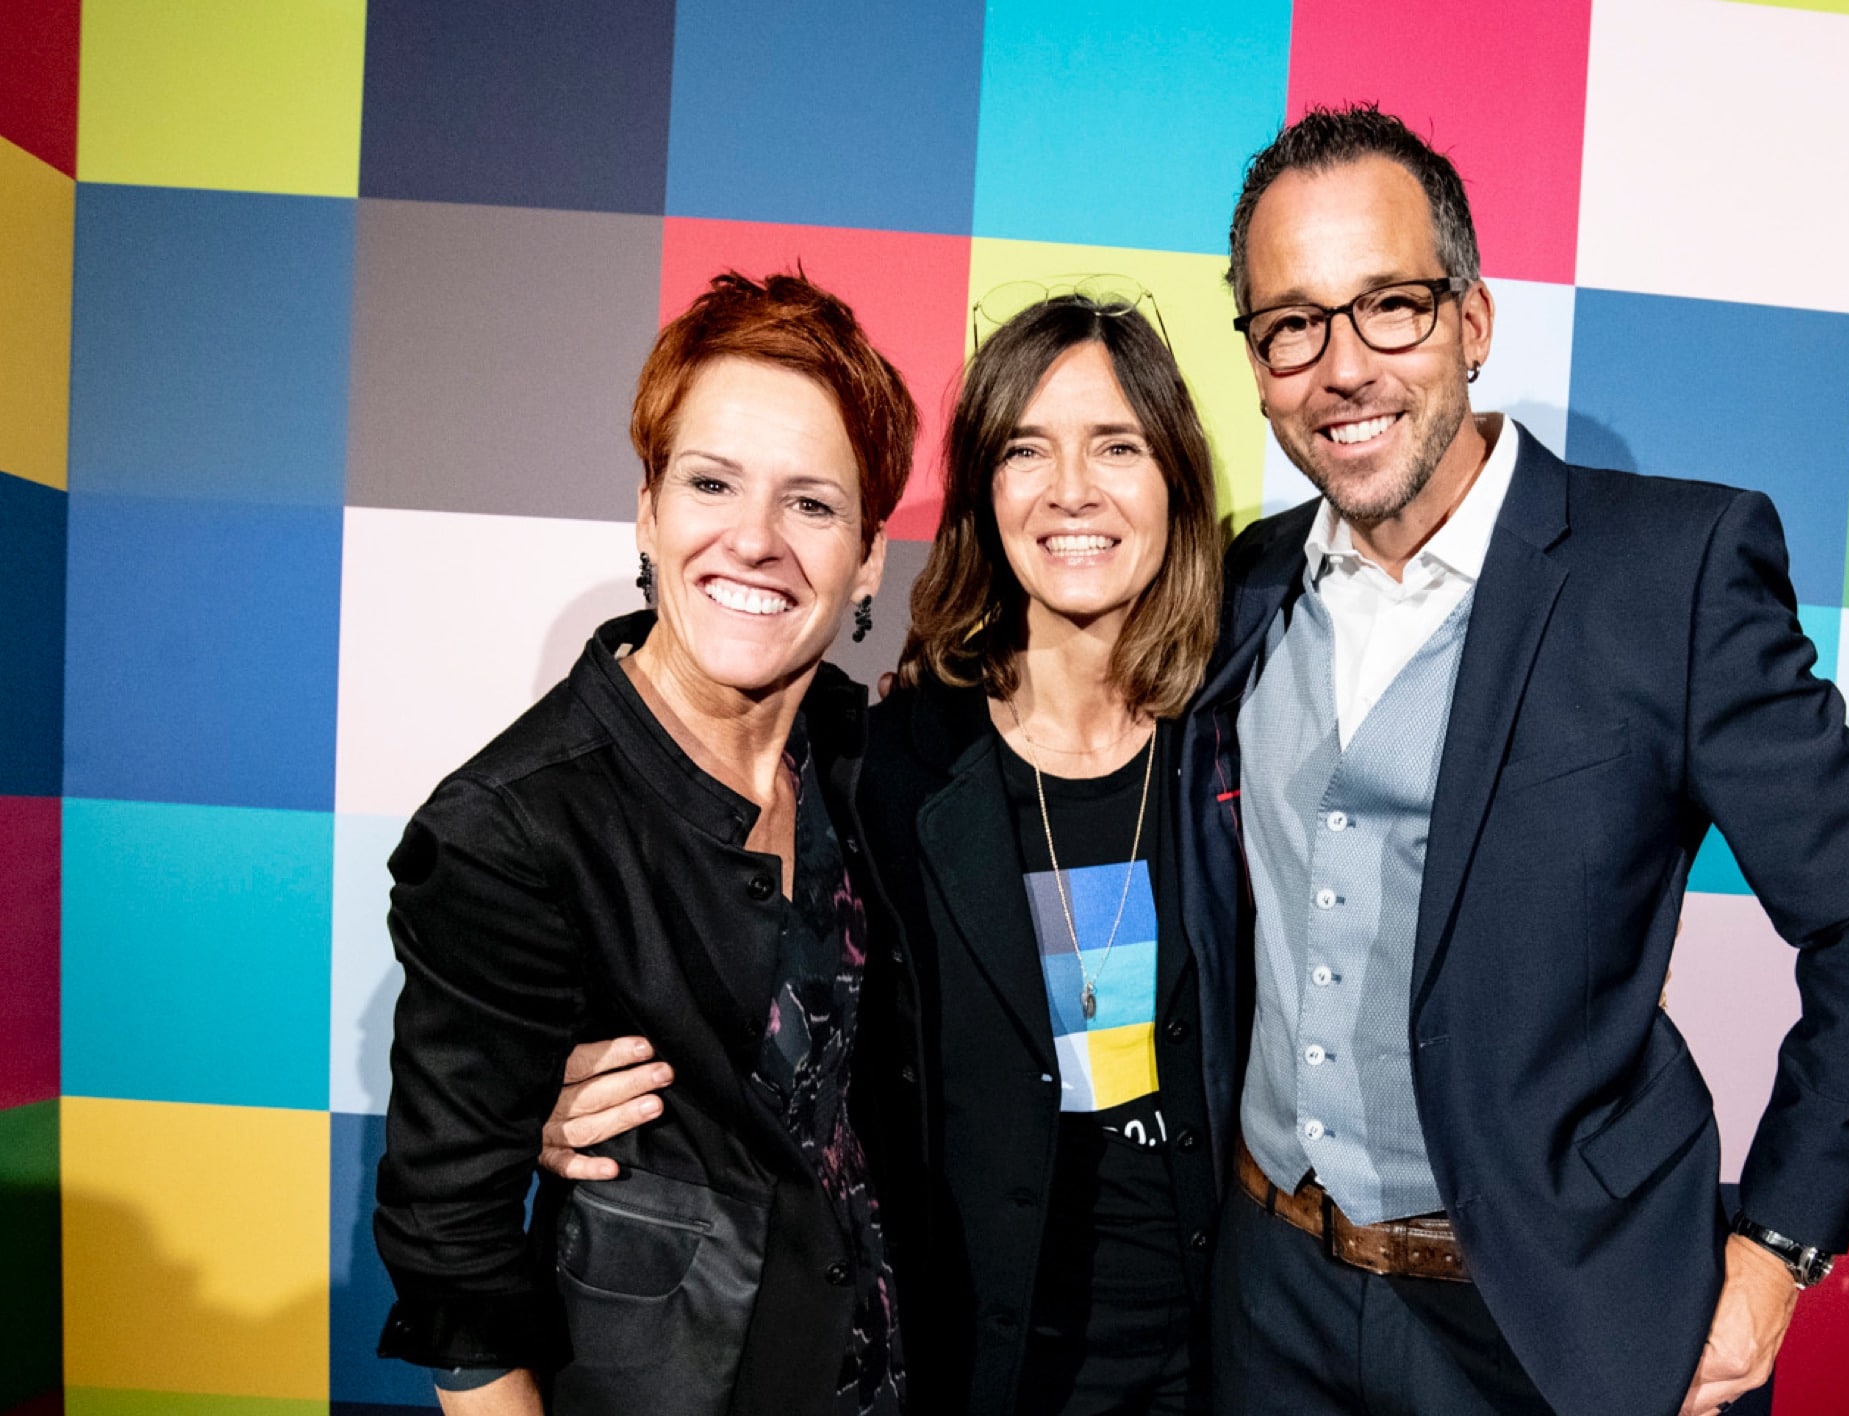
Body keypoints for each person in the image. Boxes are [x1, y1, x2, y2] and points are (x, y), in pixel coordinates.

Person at [1176, 106, 1849, 1416]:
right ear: (1257, 363)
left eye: (1391, 308)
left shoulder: (1672, 573)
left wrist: (1773, 1257)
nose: (1343, 366)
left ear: (1472, 322)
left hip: (1545, 1318)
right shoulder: (1239, 586)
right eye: (1293, 324)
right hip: (1271, 1298)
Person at [540, 289, 1229, 1415]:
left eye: (1118, 446)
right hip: (964, 1369)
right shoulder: (884, 762)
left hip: (1215, 1361)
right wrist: (555, 1097)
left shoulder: (1243, 734)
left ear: (1177, 483)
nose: (1073, 492)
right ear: (982, 494)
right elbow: (718, 977)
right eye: (1026, 450)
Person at [372, 270, 924, 1416]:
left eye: (812, 505)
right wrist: (533, 1106)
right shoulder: (508, 828)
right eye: (711, 482)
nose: (755, 540)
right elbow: (454, 1270)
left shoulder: (865, 758)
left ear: (870, 556)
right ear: (647, 510)